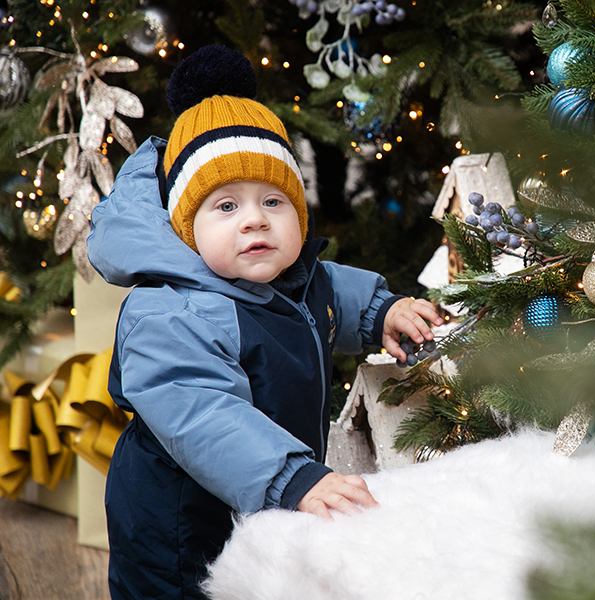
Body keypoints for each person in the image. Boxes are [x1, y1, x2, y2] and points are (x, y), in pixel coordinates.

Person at [86, 45, 442, 600]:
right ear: (187, 228)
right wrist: (290, 476)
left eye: (274, 201)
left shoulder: (294, 278)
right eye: (225, 206)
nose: (255, 218)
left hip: (264, 494)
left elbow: (333, 295)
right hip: (180, 527)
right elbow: (201, 412)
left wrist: (382, 311)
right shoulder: (171, 310)